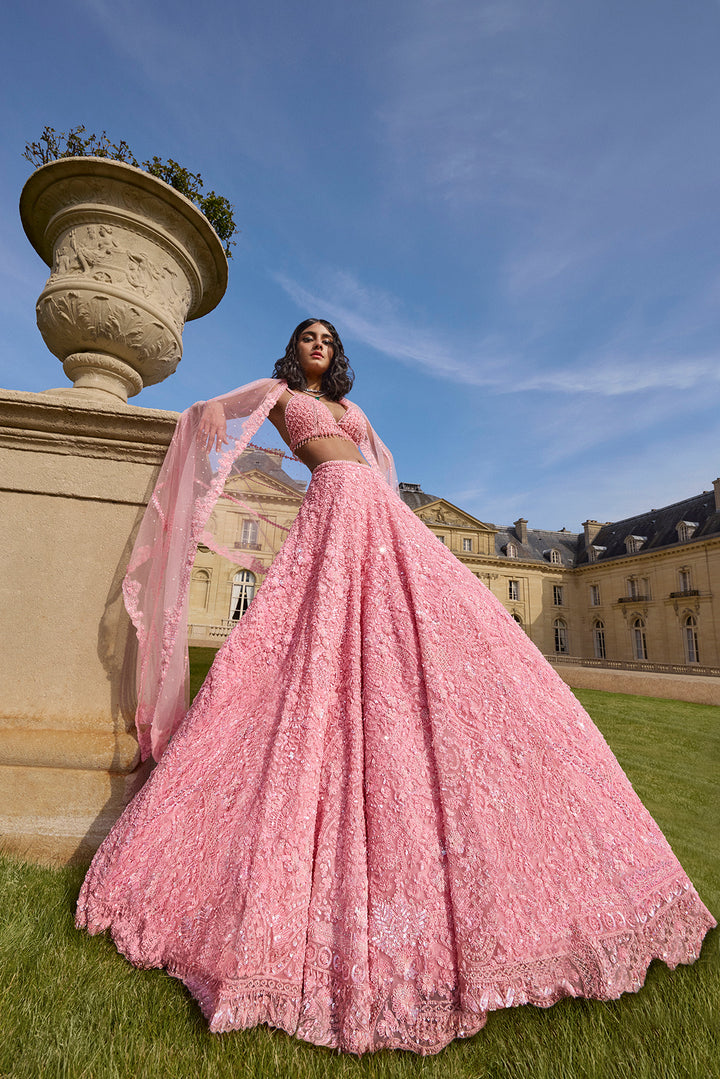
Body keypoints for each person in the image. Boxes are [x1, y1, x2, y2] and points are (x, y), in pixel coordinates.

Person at [76, 319, 716, 1056]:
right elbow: (207, 417)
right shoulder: (279, 395)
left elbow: (377, 466)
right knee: (303, 655)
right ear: (295, 349)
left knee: (449, 643)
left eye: (327, 336)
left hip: (381, 517)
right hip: (328, 514)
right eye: (307, 334)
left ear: (337, 354)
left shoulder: (356, 412)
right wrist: (206, 439)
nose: (318, 342)